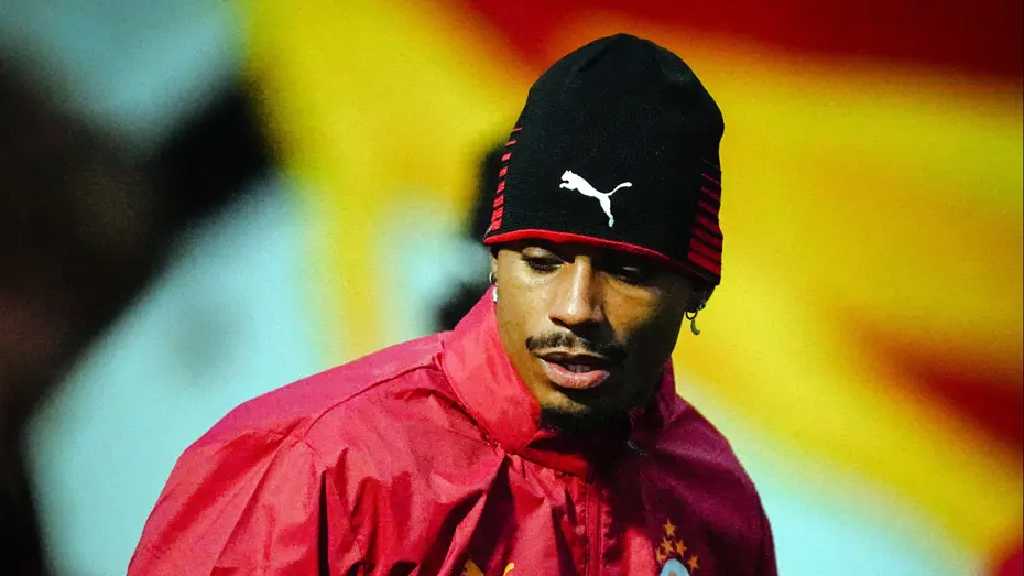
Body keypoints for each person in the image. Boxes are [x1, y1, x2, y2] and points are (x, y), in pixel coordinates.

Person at [129, 33, 776, 575]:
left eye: (628, 271)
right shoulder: (314, 471)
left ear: (697, 288)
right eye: (542, 261)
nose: (577, 307)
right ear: (494, 260)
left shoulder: (715, 499)